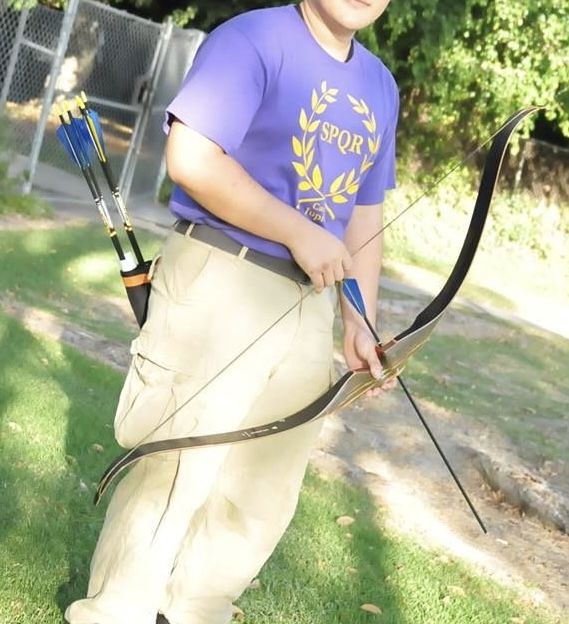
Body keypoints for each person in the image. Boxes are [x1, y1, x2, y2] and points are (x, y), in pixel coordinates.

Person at [65, 1, 398, 623]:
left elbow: (365, 215)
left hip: (312, 302)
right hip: (223, 274)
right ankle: (116, 612)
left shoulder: (379, 83)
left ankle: (192, 612)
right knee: (176, 466)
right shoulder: (253, 38)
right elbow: (192, 157)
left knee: (262, 489)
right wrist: (297, 231)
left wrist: (361, 320)